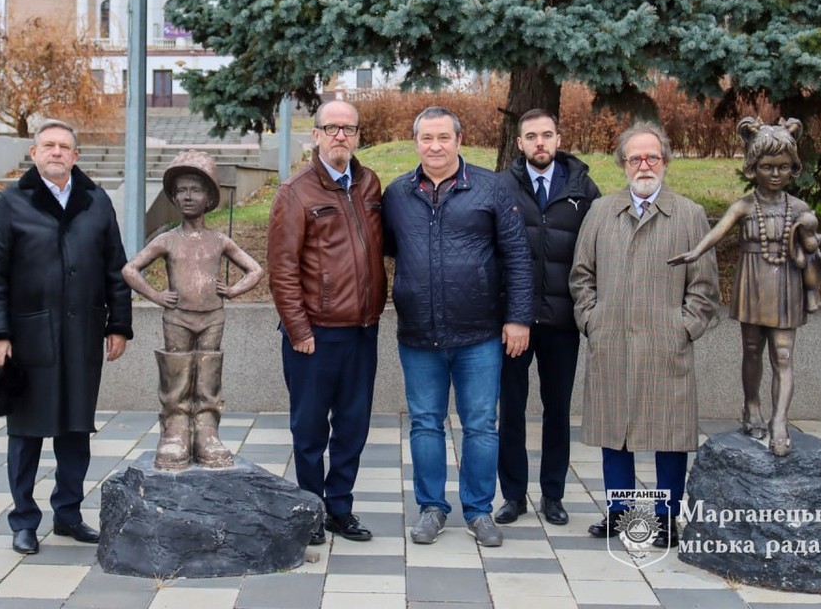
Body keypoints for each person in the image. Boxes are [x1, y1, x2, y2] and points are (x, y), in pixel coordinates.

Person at [0, 119, 133, 556]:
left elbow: (114, 268)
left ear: (76, 156)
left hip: (82, 332)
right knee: (26, 430)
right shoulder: (10, 203)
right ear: (33, 153)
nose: (57, 152)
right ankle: (24, 520)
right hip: (29, 337)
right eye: (48, 145)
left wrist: (118, 324)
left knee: (75, 428)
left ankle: (68, 513)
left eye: (65, 146)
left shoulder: (96, 202)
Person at [382, 106, 533, 548]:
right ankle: (432, 508)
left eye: (443, 137)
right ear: (416, 143)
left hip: (479, 335)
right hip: (418, 335)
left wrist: (518, 317)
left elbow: (518, 258)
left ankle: (479, 510)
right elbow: (393, 249)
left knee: (481, 425)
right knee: (426, 423)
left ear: (459, 141)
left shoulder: (491, 188)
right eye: (426, 138)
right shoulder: (397, 194)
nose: (435, 146)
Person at [569, 121, 720, 549]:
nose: (644, 165)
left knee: (668, 434)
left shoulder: (689, 215)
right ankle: (620, 512)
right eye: (635, 158)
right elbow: (581, 276)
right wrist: (592, 321)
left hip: (664, 344)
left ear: (666, 161)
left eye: (652, 156)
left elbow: (705, 287)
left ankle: (666, 517)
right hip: (612, 339)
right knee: (614, 431)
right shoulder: (601, 212)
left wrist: (683, 327)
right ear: (623, 164)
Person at [668, 117, 821, 456]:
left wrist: (812, 237)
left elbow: (813, 243)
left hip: (787, 284)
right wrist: (696, 251)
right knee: (752, 351)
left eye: (784, 167)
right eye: (767, 166)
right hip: (754, 282)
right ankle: (752, 405)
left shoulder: (799, 208)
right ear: (753, 167)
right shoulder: (745, 206)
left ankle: (779, 423)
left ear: (793, 168)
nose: (776, 174)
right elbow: (719, 231)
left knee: (784, 355)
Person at [267, 100, 387, 545]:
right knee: (310, 428)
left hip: (362, 329)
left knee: (353, 425)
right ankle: (310, 510)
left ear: (358, 135)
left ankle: (340, 508)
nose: (341, 136)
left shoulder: (370, 183)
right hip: (314, 335)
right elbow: (282, 269)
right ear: (315, 135)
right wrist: (298, 330)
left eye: (349, 129)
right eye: (331, 128)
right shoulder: (295, 191)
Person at [122, 150, 264, 471]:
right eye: (182, 190)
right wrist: (156, 295)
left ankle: (206, 432)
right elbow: (130, 270)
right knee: (176, 373)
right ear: (173, 196)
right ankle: (174, 432)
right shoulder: (167, 240)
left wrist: (234, 290)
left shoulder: (219, 240)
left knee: (208, 375)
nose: (188, 197)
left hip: (213, 317)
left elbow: (254, 270)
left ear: (210, 197)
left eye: (196, 190)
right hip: (177, 317)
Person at [496, 109, 601, 527]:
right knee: (512, 410)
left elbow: (596, 253)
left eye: (547, 135)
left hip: (562, 320)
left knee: (557, 410)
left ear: (558, 139)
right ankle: (514, 495)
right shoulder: (501, 187)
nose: (540, 143)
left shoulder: (582, 188)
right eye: (531, 136)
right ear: (519, 143)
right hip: (513, 322)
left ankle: (553, 494)